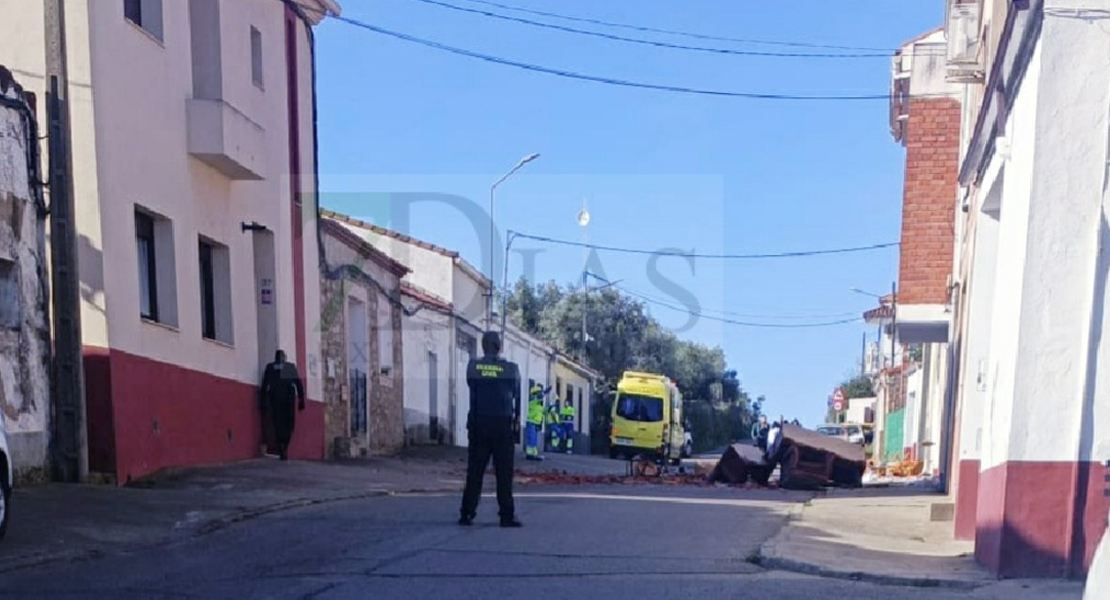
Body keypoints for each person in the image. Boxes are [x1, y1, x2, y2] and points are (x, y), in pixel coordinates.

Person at [459, 331, 523, 528]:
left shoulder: (473, 367)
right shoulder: (510, 369)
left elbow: (471, 384)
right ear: (499, 346)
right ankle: (506, 515)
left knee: (475, 471)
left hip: (479, 424)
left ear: (482, 345)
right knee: (504, 473)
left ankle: (467, 513)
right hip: (502, 425)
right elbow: (516, 394)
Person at [259, 349, 305, 461]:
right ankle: (283, 447)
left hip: (276, 401)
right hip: (287, 401)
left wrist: (263, 401)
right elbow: (298, 384)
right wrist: (301, 400)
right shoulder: (288, 367)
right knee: (288, 425)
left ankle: (281, 447)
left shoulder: (270, 368)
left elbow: (264, 386)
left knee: (278, 425)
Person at [525, 384, 546, 461]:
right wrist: (545, 391)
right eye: (538, 392)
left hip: (536, 423)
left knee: (534, 440)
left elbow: (542, 412)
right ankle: (530, 454)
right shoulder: (533, 401)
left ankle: (534, 454)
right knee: (532, 439)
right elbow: (540, 396)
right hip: (532, 422)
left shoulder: (538, 405)